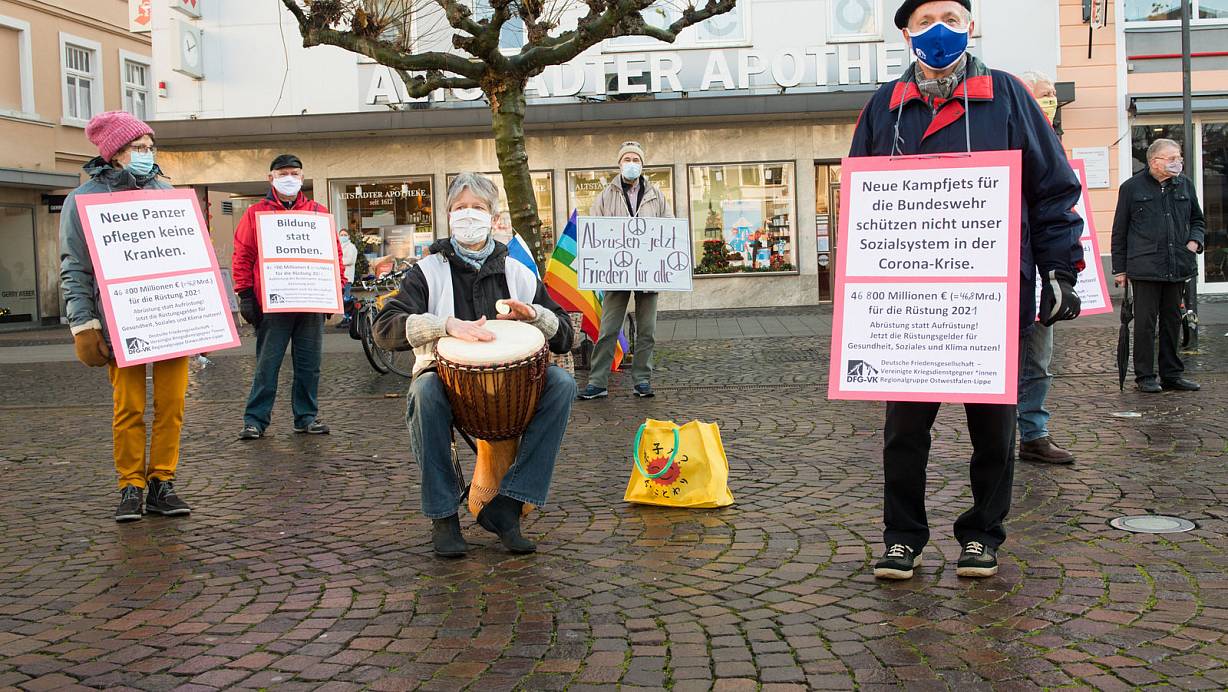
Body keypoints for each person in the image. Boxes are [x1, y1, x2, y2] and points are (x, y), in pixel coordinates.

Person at [851, 0, 1083, 580]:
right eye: (927, 20)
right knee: (904, 430)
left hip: (990, 297)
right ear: (905, 32)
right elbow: (860, 200)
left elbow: (1052, 190)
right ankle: (902, 536)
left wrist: (1060, 270)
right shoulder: (885, 106)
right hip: (906, 300)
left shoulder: (1004, 95)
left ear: (971, 26)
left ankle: (982, 534)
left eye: (952, 18)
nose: (940, 31)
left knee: (993, 429)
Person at [372, 173, 575, 557]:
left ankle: (509, 506)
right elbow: (384, 328)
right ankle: (444, 516)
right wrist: (443, 325)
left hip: (514, 388)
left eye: (477, 208)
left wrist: (534, 314)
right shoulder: (427, 271)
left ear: (493, 216)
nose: (468, 215)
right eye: (460, 208)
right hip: (448, 385)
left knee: (562, 383)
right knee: (424, 391)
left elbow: (566, 334)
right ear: (447, 215)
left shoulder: (517, 272)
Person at [59, 111, 192, 521]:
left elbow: (189, 259)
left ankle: (162, 482)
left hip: (169, 315)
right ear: (114, 153)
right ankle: (130, 485)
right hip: (120, 321)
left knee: (172, 404)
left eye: (151, 147)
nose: (147, 154)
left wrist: (201, 315)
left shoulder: (168, 193)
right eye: (139, 148)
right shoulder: (81, 199)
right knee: (128, 406)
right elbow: (74, 268)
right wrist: (84, 324)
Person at [233, 154, 344, 439]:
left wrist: (334, 291)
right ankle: (255, 420)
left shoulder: (318, 214)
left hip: (310, 302)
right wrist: (245, 294)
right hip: (272, 303)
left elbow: (334, 255)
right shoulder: (255, 214)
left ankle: (306, 417)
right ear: (271, 178)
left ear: (302, 178)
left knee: (309, 365)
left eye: (294, 173)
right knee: (266, 365)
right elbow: (243, 255)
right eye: (283, 173)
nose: (289, 178)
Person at [578, 141, 672, 400]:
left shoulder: (656, 194)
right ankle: (597, 382)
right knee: (608, 328)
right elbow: (595, 233)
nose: (632, 163)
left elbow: (669, 229)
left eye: (636, 159)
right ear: (619, 164)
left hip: (649, 272)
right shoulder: (607, 195)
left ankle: (642, 380)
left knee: (647, 330)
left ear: (642, 164)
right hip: (616, 273)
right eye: (627, 159)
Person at [1015, 71, 1076, 465]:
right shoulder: (1010, 133)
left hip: (1042, 268)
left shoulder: (1055, 143)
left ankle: (1033, 433)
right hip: (1009, 267)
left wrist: (1060, 274)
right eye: (1043, 94)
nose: (1050, 100)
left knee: (1038, 356)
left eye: (1053, 94)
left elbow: (1060, 209)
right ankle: (1000, 436)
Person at [1112, 139, 1204, 393]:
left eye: (1180, 158)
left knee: (1172, 321)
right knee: (1145, 323)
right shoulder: (1131, 188)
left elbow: (1197, 219)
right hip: (1144, 267)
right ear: (1155, 161)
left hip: (1178, 265)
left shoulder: (1184, 184)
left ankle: (1171, 374)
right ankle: (1145, 376)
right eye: (1172, 158)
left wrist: (1195, 241)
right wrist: (1119, 269)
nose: (1178, 163)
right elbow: (1120, 231)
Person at [337, 229, 358, 329]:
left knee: (346, 299)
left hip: (347, 277)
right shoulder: (338, 246)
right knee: (343, 300)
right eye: (341, 235)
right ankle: (345, 318)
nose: (343, 236)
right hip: (340, 277)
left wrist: (338, 261)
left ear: (349, 236)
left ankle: (349, 318)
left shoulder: (351, 247)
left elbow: (350, 260)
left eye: (345, 235)